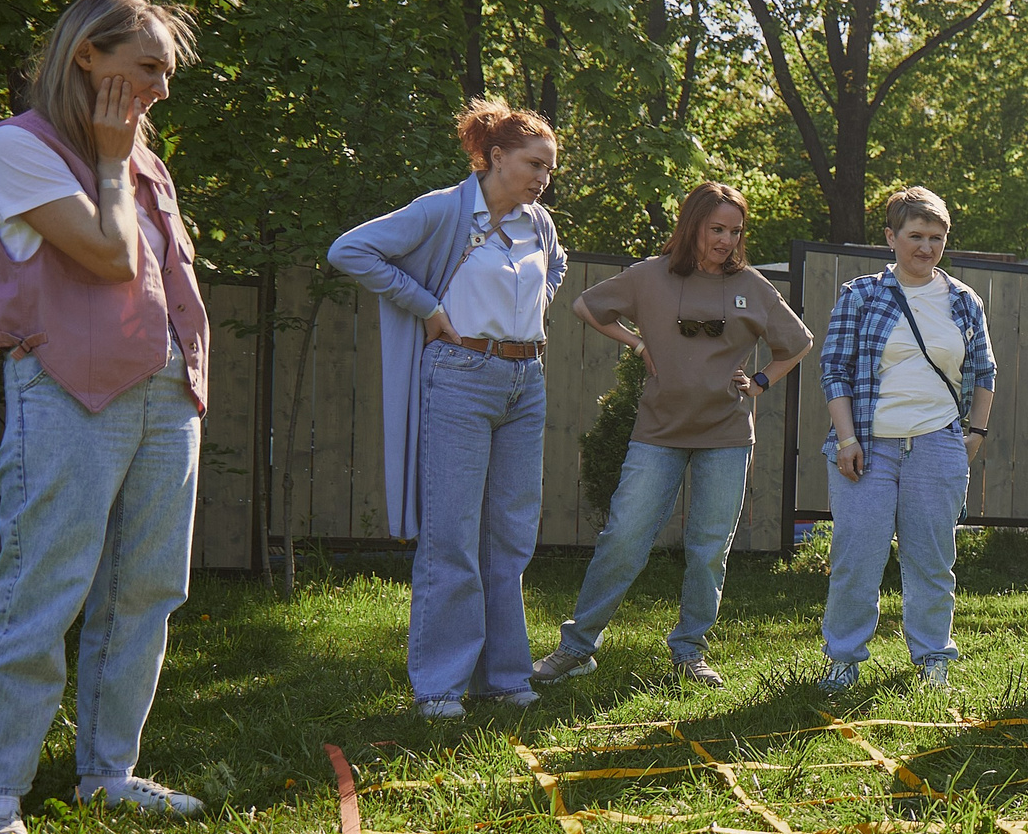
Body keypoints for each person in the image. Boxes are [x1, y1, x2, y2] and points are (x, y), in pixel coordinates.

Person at [0, 0, 209, 834]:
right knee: (44, 586)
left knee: (145, 590)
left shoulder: (143, 160)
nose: (160, 89)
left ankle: (107, 773)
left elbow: (164, 278)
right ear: (86, 58)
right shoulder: (16, 149)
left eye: (166, 73)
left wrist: (190, 377)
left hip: (165, 392)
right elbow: (108, 255)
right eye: (147, 68)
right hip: (68, 390)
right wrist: (109, 159)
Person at [330, 99, 566, 719]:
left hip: (527, 379)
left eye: (550, 170)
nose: (544, 178)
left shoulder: (538, 225)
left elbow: (555, 271)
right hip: (460, 377)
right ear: (494, 157)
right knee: (452, 537)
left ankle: (506, 677)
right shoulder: (444, 210)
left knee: (510, 536)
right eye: (534, 164)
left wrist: (532, 317)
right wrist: (427, 307)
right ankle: (439, 686)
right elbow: (351, 251)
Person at [530, 183, 810, 689]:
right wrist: (637, 344)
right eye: (716, 228)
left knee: (708, 549)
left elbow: (798, 342)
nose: (726, 240)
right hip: (657, 433)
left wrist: (761, 381)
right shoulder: (649, 276)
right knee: (624, 538)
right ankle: (577, 647)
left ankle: (689, 651)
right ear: (692, 225)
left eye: (735, 231)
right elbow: (587, 308)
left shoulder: (750, 284)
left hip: (726, 436)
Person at [814, 186, 996, 692]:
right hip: (867, 447)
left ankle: (933, 657)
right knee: (857, 557)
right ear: (891, 237)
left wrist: (974, 435)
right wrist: (847, 439)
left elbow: (984, 372)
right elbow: (835, 372)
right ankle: (844, 658)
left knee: (932, 559)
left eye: (936, 237)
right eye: (915, 236)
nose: (926, 247)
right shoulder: (861, 295)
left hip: (938, 444)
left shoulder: (963, 301)